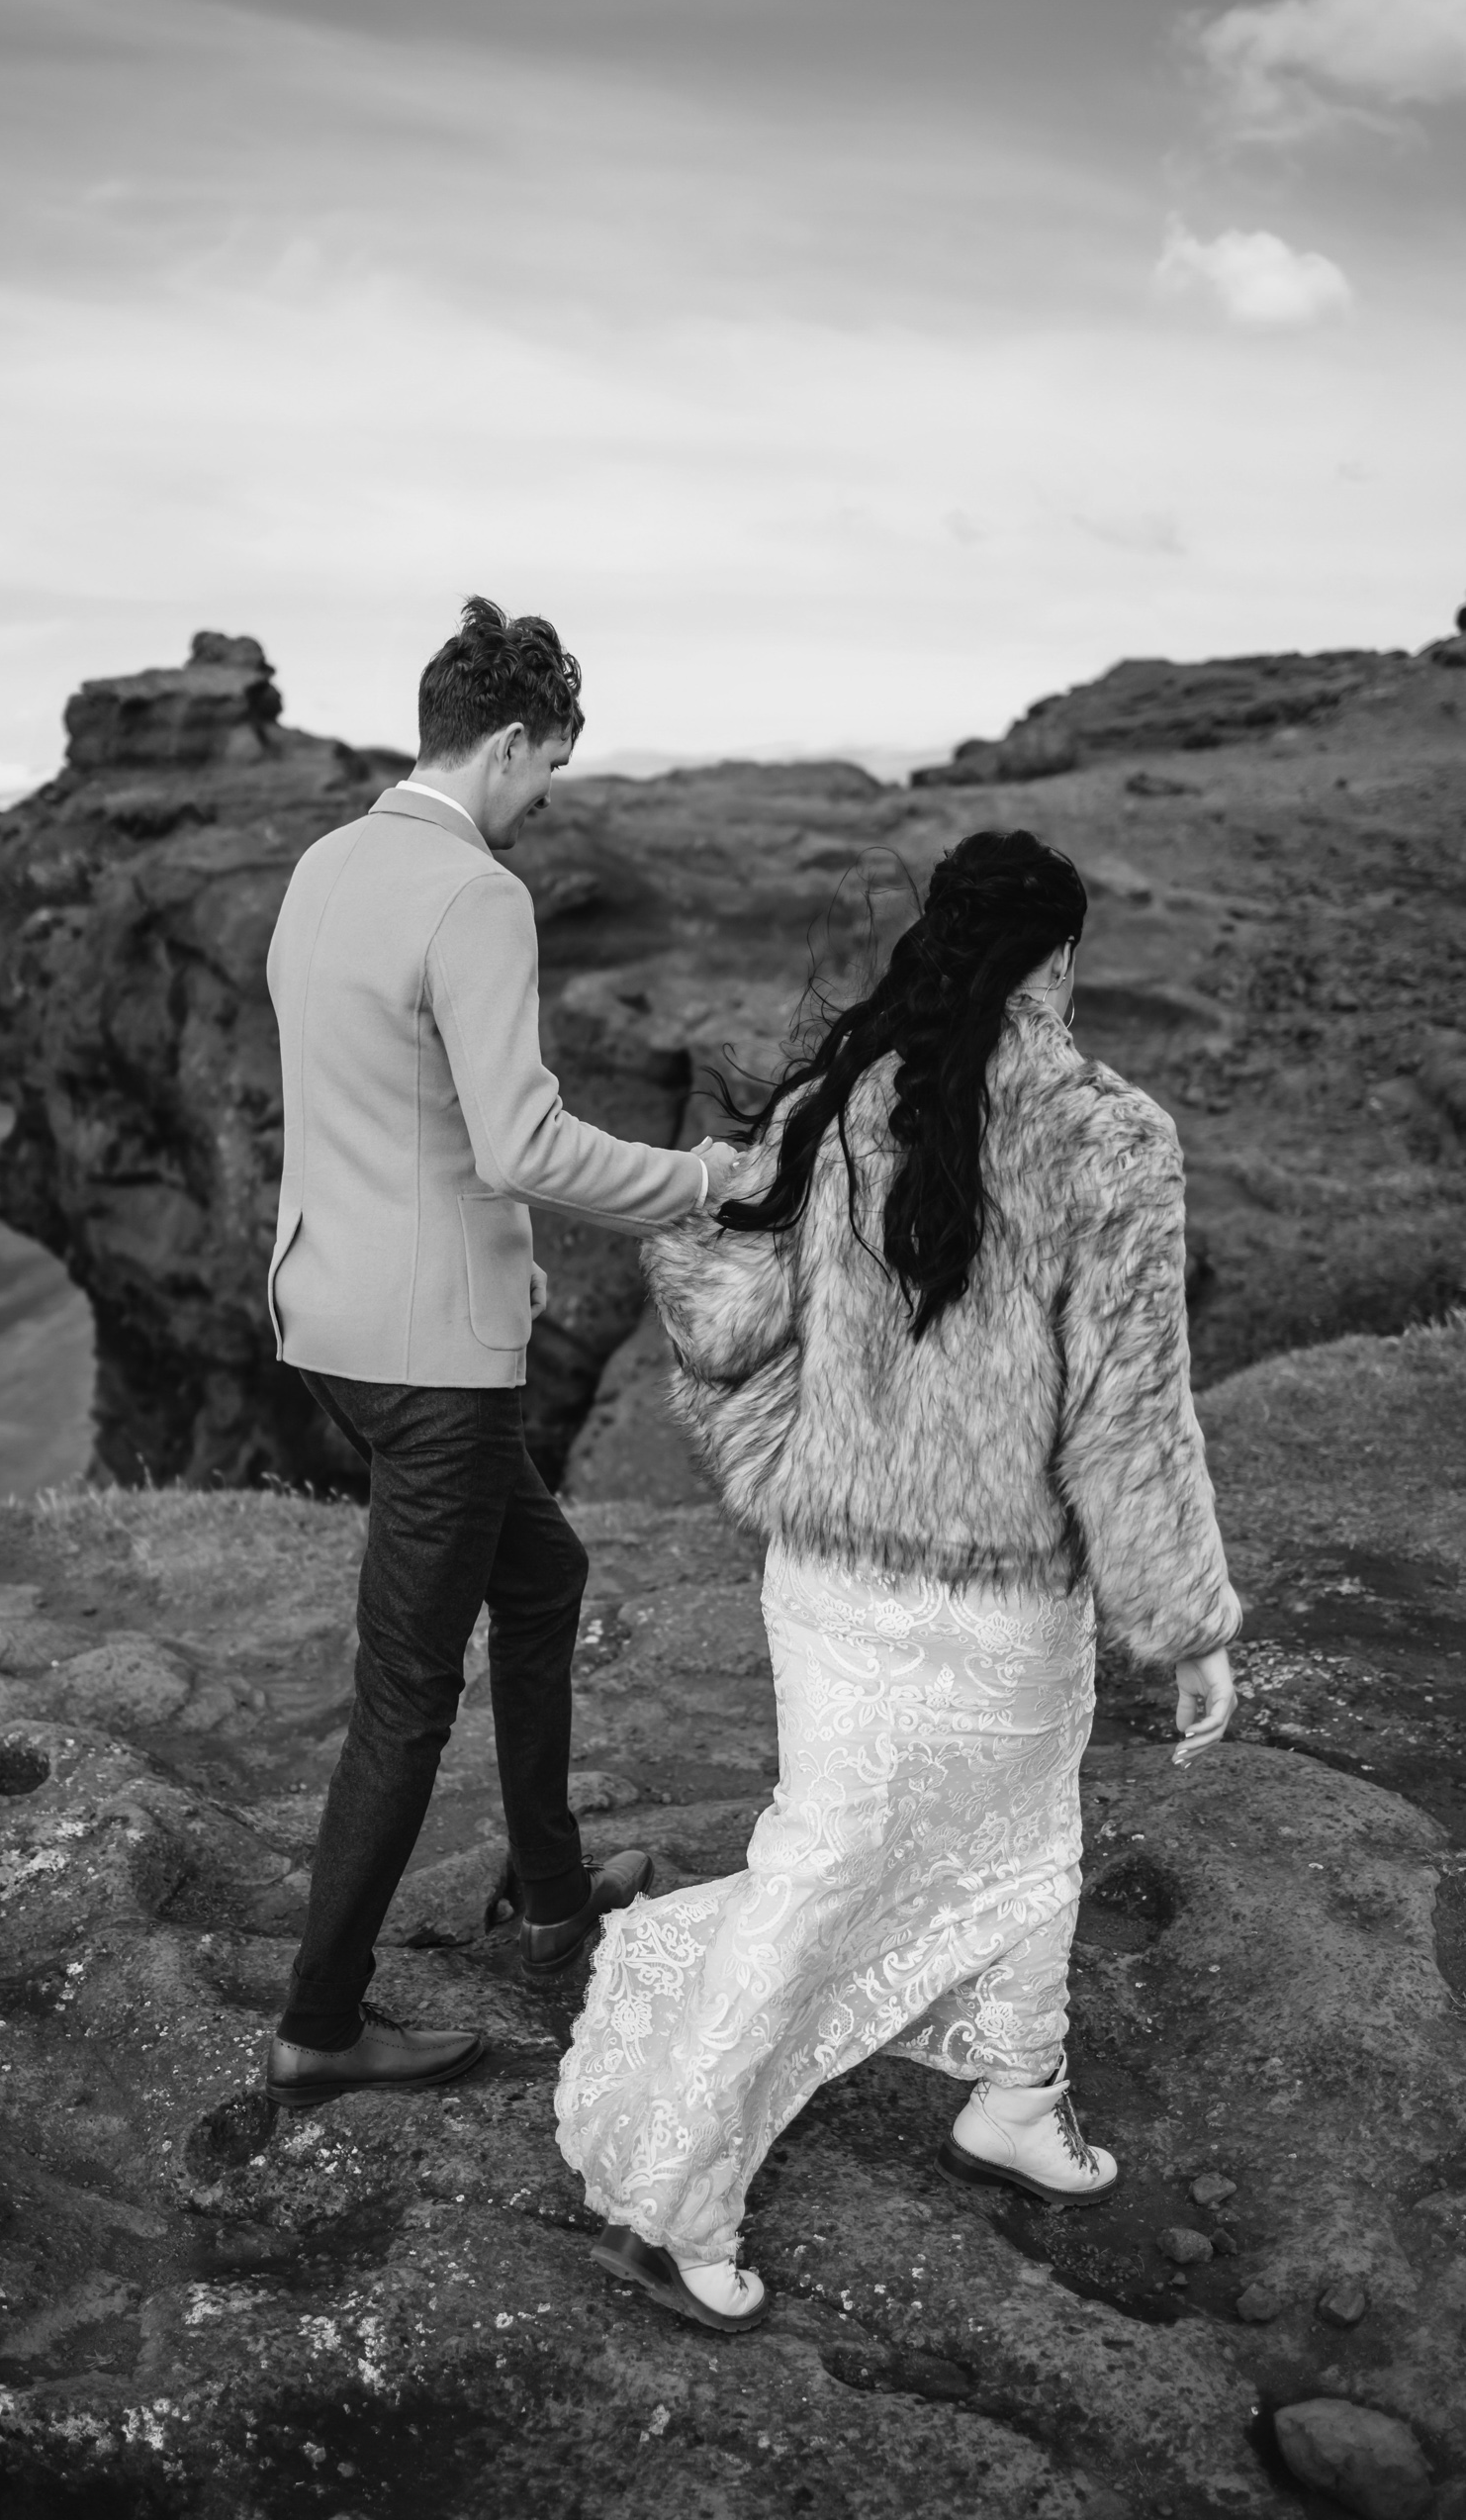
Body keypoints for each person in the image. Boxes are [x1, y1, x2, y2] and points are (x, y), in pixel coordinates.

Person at [554, 828, 1240, 2333]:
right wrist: (1188, 1620)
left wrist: (787, 1428)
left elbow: (721, 1315)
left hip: (825, 1572)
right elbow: (1128, 1407)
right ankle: (675, 2202)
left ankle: (1018, 2091)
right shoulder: (1116, 1136)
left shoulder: (840, 1100)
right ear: (1060, 959)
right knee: (998, 1837)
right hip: (1006, 1595)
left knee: (865, 1852)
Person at [261, 597, 741, 2109]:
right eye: (553, 770)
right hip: (431, 1357)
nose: (547, 801)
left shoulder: (327, 866)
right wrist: (703, 1179)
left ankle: (550, 1896)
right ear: (515, 742)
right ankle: (320, 2021)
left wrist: (494, 1249)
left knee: (544, 1577)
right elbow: (522, 1141)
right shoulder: (475, 895)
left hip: (328, 1316)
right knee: (408, 1693)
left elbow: (364, 1102)